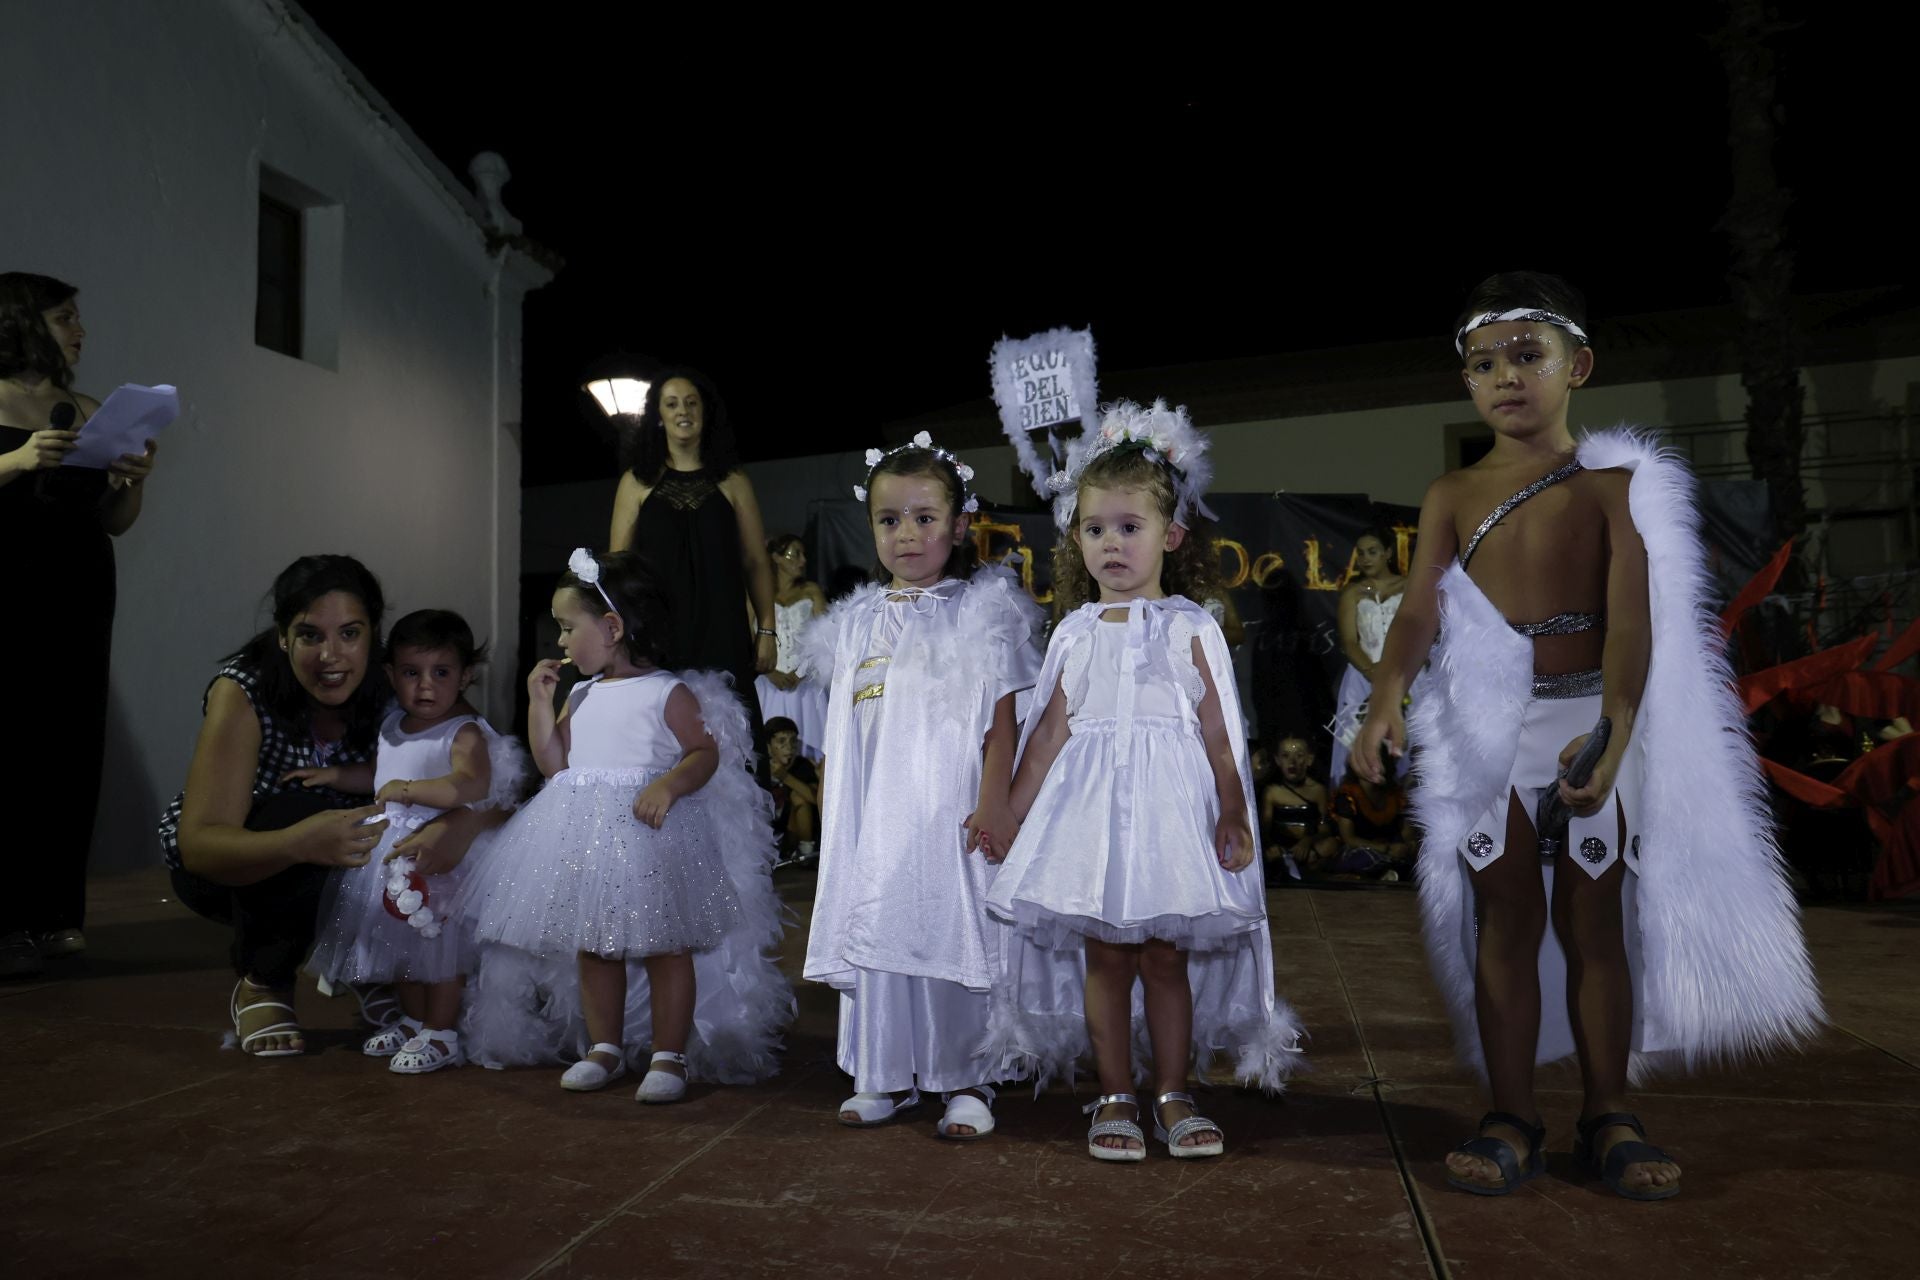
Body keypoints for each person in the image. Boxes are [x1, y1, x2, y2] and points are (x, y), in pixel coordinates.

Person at [1353, 272, 1823, 1201]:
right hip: (1491, 732)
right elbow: (1417, 612)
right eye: (1484, 363)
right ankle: (1510, 1114)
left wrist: (1614, 729)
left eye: (1528, 356)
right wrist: (1385, 699)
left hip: (1588, 720)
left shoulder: (1614, 486)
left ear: (1579, 367)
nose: (1505, 378)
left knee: (1596, 921)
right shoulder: (1451, 490)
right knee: (1504, 924)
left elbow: (1630, 619)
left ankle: (1609, 1110)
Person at [986, 400, 1305, 1162]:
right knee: (1106, 956)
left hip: (1169, 820)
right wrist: (1008, 813)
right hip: (1091, 823)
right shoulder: (1073, 632)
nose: (1112, 544)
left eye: (1131, 528)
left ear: (1173, 536)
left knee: (1164, 957)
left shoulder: (1194, 626)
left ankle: (1173, 1091)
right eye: (1096, 530)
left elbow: (1223, 736)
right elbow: (1045, 740)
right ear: (1076, 540)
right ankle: (1115, 1093)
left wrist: (1231, 810)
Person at [464, 549, 789, 1100]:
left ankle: (669, 1055)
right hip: (587, 837)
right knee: (595, 946)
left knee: (667, 947)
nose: (561, 643)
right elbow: (554, 765)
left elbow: (703, 753)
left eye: (568, 629)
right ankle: (605, 1047)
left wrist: (669, 784)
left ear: (612, 627)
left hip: (650, 839)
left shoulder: (667, 692)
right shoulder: (583, 693)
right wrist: (539, 704)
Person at [797, 432, 1044, 1141]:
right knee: (880, 922)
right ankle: (886, 1074)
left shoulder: (983, 608)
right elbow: (843, 737)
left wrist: (996, 800)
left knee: (954, 928)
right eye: (889, 520)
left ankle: (969, 1078)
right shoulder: (855, 624)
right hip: (877, 819)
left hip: (954, 810)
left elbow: (1005, 721)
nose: (907, 534)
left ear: (960, 525)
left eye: (925, 518)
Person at [159, 556, 500, 1057]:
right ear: (282, 638)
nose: (330, 655)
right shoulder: (245, 689)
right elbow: (199, 846)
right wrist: (301, 842)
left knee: (421, 841)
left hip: (360, 853)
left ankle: (371, 972)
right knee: (297, 808)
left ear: (374, 636)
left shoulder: (405, 680)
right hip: (238, 867)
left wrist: (462, 824)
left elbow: (499, 774)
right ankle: (263, 980)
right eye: (310, 635)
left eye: (349, 634)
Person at [1, 272, 160, 977]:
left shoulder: (88, 409)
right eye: (64, 317)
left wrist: (134, 482)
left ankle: (55, 916)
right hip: (5, 590)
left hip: (79, 592)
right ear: (20, 322)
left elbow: (115, 524)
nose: (79, 331)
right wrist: (16, 458)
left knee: (68, 745)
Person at [299, 610, 529, 1073]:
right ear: (391, 675)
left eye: (441, 673)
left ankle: (442, 1033)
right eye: (411, 673)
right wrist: (339, 775)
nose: (425, 686)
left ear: (465, 676)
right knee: (399, 945)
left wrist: (407, 791)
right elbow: (380, 774)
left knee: (440, 949)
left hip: (441, 858)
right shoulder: (393, 725)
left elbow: (470, 786)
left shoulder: (463, 732)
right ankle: (413, 1018)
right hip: (390, 856)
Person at [608, 369, 776, 744]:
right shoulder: (636, 482)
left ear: (705, 411)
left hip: (724, 629)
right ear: (658, 415)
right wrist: (618, 634)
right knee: (663, 739)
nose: (683, 410)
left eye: (691, 402)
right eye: (672, 403)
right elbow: (619, 567)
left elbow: (755, 561)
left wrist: (766, 629)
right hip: (658, 633)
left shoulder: (733, 481)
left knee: (732, 742)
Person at [1327, 527, 1408, 784]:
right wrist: (1375, 675)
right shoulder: (1353, 593)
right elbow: (1350, 642)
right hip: (1364, 676)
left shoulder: (1410, 586)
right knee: (1357, 741)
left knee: (1413, 746)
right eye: (1360, 553)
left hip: (1408, 676)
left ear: (1387, 553)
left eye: (1372, 551)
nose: (1365, 558)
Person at [755, 534, 830, 759]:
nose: (802, 560)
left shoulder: (811, 591)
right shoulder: (758, 593)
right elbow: (747, 638)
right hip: (769, 683)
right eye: (795, 554)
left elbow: (826, 638)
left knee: (812, 748)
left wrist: (801, 671)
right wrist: (769, 672)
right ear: (777, 558)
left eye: (803, 554)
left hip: (804, 684)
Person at [1262, 734, 1338, 877]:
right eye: (1285, 756)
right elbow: (1265, 830)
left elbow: (1325, 828)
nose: (1292, 762)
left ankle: (1303, 867)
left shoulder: (1318, 791)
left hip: (1308, 847)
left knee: (1331, 844)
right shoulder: (1272, 792)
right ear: (1278, 760)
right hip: (1281, 847)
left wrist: (1308, 841)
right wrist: (1272, 846)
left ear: (1309, 759)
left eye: (1299, 755)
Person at [1329, 759, 1415, 880]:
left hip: (1392, 849)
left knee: (1412, 862)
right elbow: (1349, 839)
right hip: (1362, 849)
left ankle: (1390, 872)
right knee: (1364, 858)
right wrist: (1383, 848)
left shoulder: (1396, 795)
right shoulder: (1347, 796)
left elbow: (1408, 835)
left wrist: (1406, 848)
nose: (1373, 766)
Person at [764, 716, 820, 864]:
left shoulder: (802, 765)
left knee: (798, 796)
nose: (789, 747)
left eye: (793, 741)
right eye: (781, 741)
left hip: (792, 832)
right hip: (767, 833)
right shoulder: (759, 767)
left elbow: (816, 799)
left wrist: (785, 777)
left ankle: (806, 851)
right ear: (769, 745)